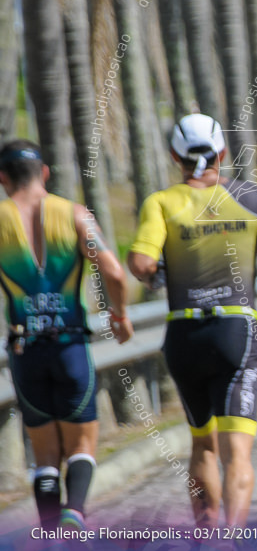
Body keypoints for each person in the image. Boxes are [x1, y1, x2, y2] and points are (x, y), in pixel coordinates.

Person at [127, 114, 257, 528]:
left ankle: (208, 537)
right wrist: (246, 239)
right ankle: (233, 537)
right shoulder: (250, 197)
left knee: (202, 446)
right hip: (235, 331)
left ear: (175, 156)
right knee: (237, 454)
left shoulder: (162, 201)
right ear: (222, 153)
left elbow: (141, 263)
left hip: (184, 334)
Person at [0, 140, 133, 531]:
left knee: (44, 458)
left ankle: (49, 531)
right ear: (44, 173)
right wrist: (120, 315)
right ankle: (74, 513)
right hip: (70, 345)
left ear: (2, 179)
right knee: (81, 446)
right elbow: (114, 272)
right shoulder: (75, 215)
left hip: (25, 349)